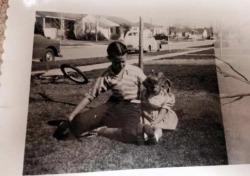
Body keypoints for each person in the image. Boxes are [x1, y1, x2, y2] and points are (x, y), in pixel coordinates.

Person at [53, 41, 146, 144]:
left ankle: (100, 130)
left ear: (126, 56)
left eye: (123, 61)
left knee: (130, 134)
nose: (121, 65)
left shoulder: (136, 71)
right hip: (114, 106)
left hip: (132, 107)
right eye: (116, 62)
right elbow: (90, 95)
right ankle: (104, 123)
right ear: (109, 59)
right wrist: (71, 116)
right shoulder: (106, 76)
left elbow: (151, 88)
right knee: (79, 122)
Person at [141, 72, 178, 145]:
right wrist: (145, 114)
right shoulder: (146, 93)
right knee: (145, 126)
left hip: (160, 116)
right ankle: (145, 138)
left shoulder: (165, 96)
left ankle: (155, 137)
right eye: (149, 86)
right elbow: (143, 106)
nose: (150, 89)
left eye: (153, 87)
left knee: (158, 127)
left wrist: (155, 122)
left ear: (161, 85)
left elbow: (162, 113)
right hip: (148, 114)